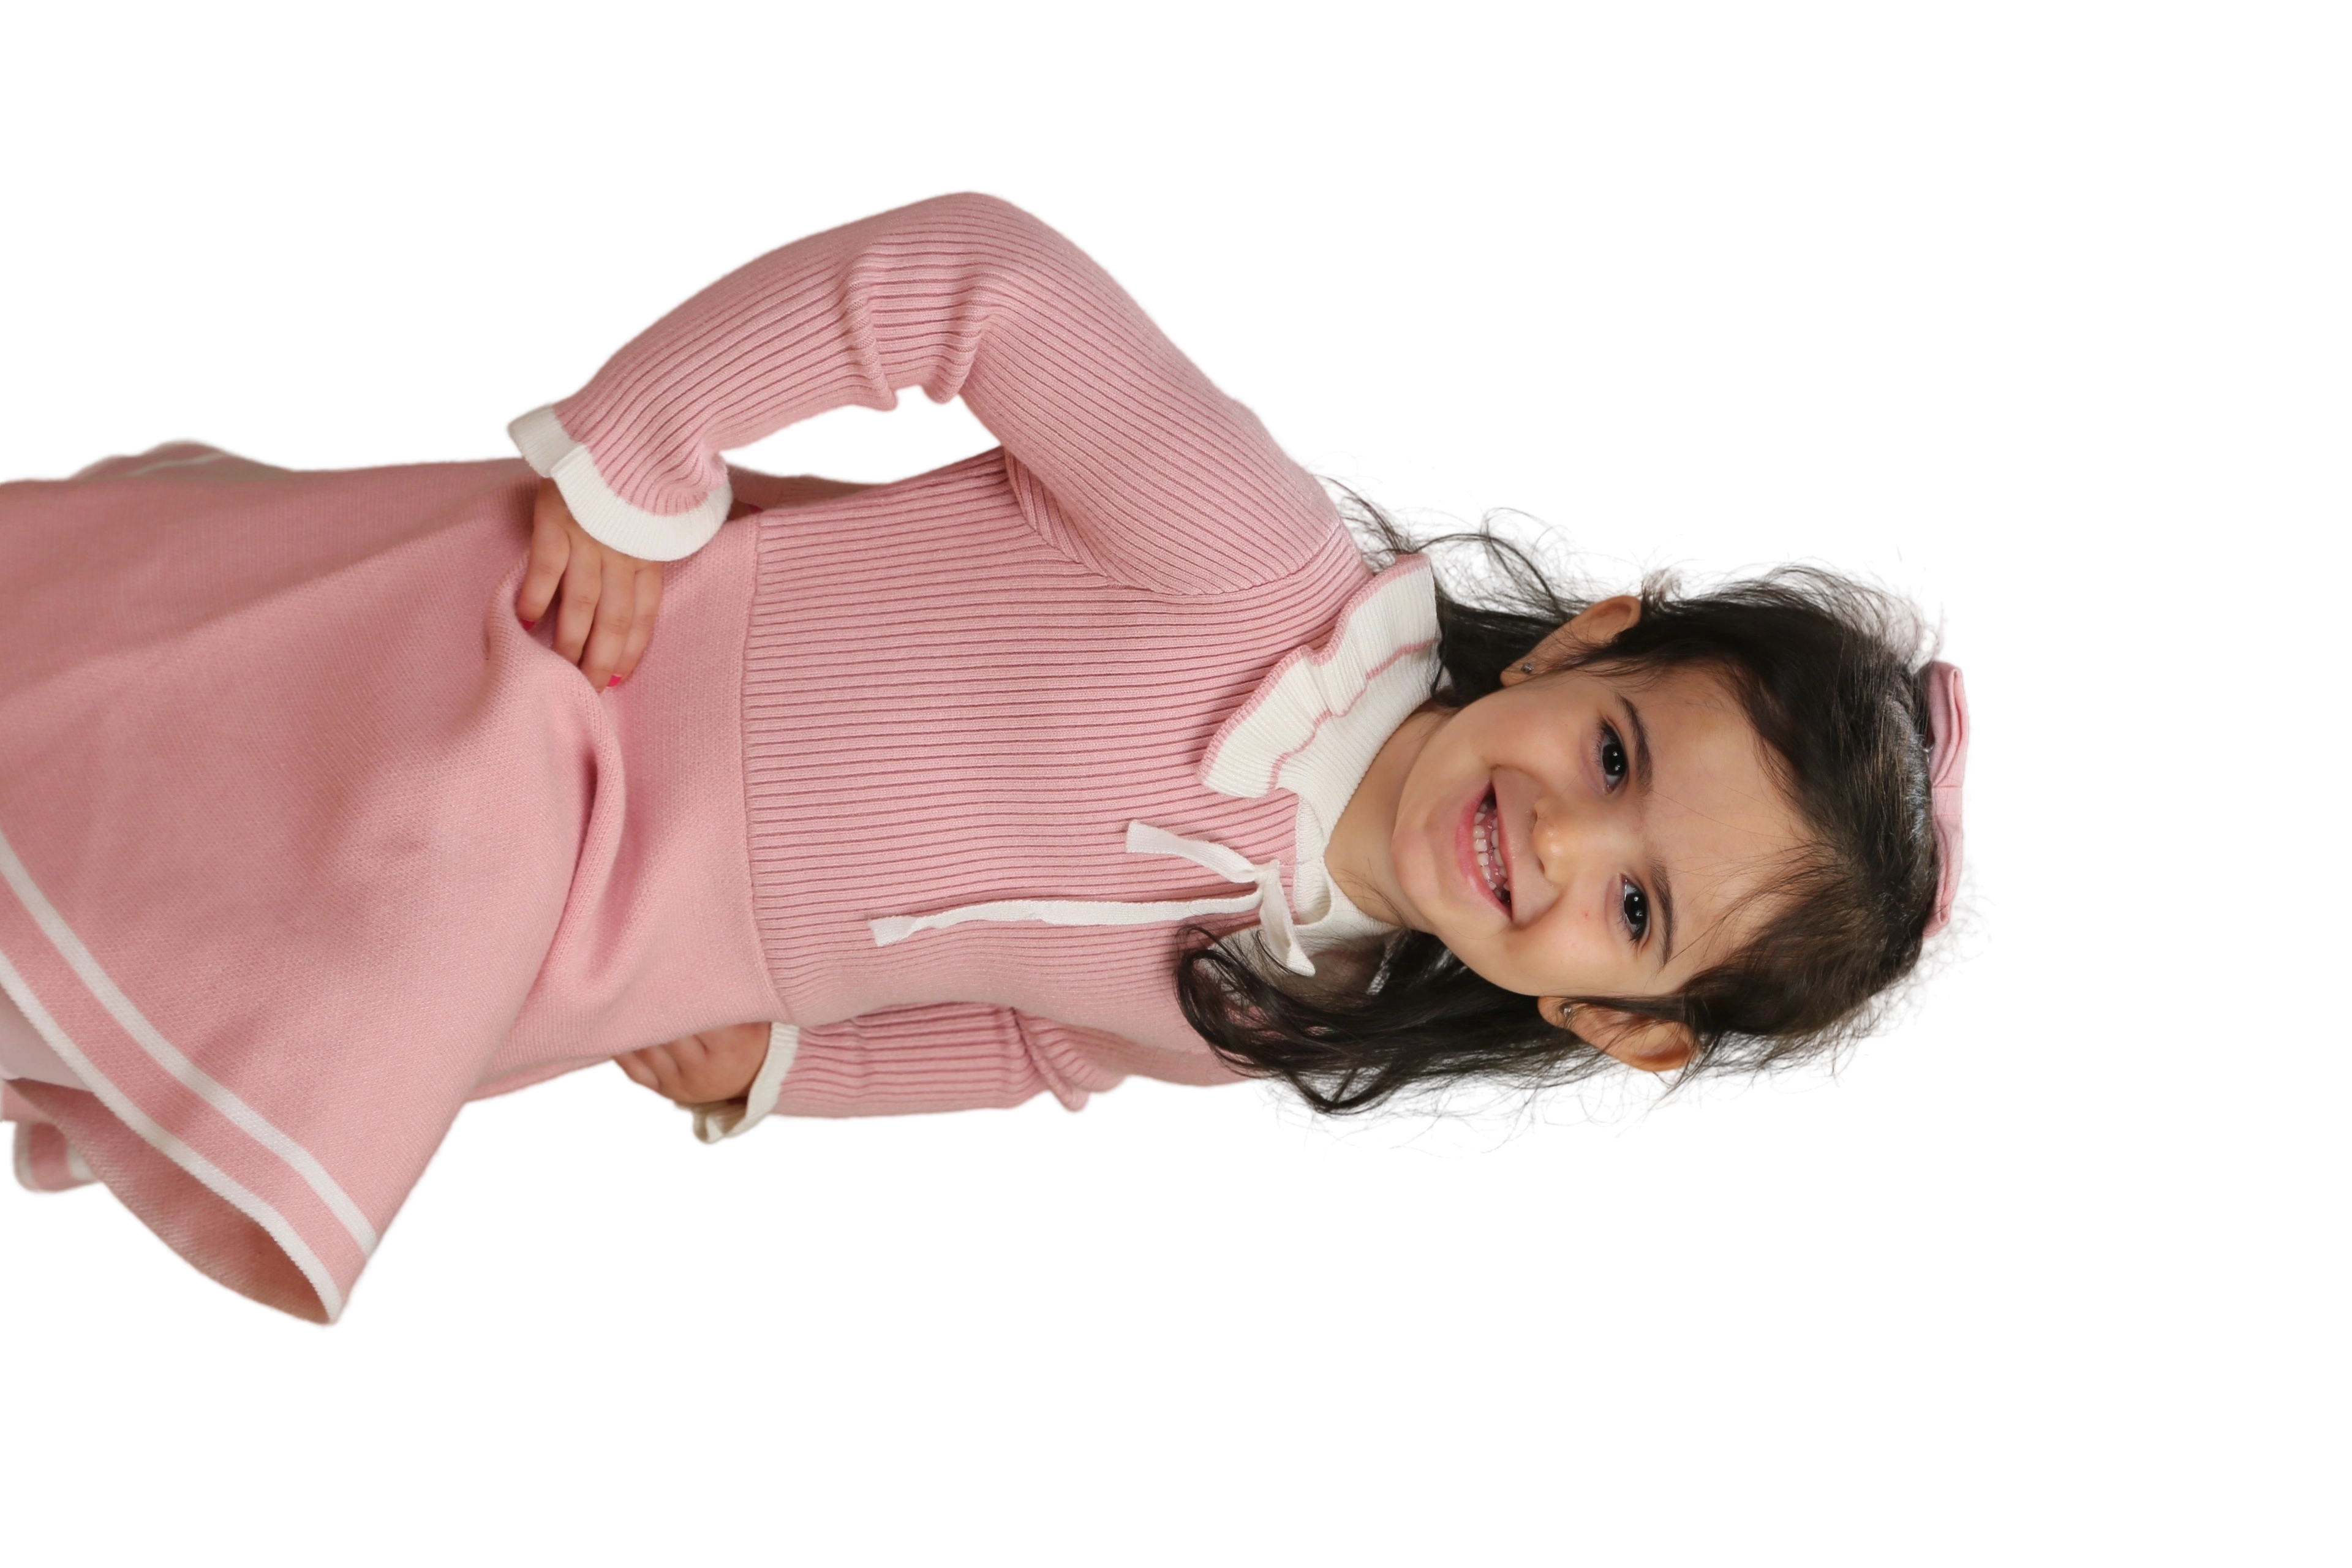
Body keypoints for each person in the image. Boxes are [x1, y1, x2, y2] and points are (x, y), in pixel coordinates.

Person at [0, 187, 1986, 1332]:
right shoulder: (1252, 561)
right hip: (565, 674)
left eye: (1635, 908)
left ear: (1621, 1022)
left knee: (240, 975)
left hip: (593, 951)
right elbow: (975, 285)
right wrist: (644, 452)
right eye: (1617, 752)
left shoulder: (1272, 1005)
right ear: (1583, 643)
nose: (1557, 834)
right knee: (152, 772)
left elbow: (1033, 1044)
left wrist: (790, 1069)